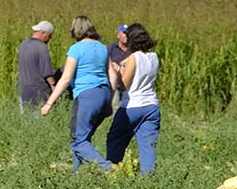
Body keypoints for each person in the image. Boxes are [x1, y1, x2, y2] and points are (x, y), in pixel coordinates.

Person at [39, 15, 114, 170]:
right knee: (83, 139)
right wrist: (110, 99)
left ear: (75, 30)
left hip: (86, 95)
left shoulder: (76, 49)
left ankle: (107, 168)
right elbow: (112, 75)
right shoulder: (102, 47)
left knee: (78, 141)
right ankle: (78, 176)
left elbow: (66, 78)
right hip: (104, 93)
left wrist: (49, 103)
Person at [105, 23, 160, 174]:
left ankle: (112, 172)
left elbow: (124, 84)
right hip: (152, 106)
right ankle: (148, 180)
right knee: (148, 147)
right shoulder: (154, 56)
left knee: (115, 139)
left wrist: (118, 69)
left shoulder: (134, 58)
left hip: (132, 105)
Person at [17, 20, 60, 114]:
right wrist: (55, 89)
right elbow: (47, 73)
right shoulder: (41, 47)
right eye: (50, 36)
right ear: (44, 33)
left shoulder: (24, 44)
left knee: (26, 121)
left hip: (23, 90)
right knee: (38, 122)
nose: (50, 39)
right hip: (38, 93)